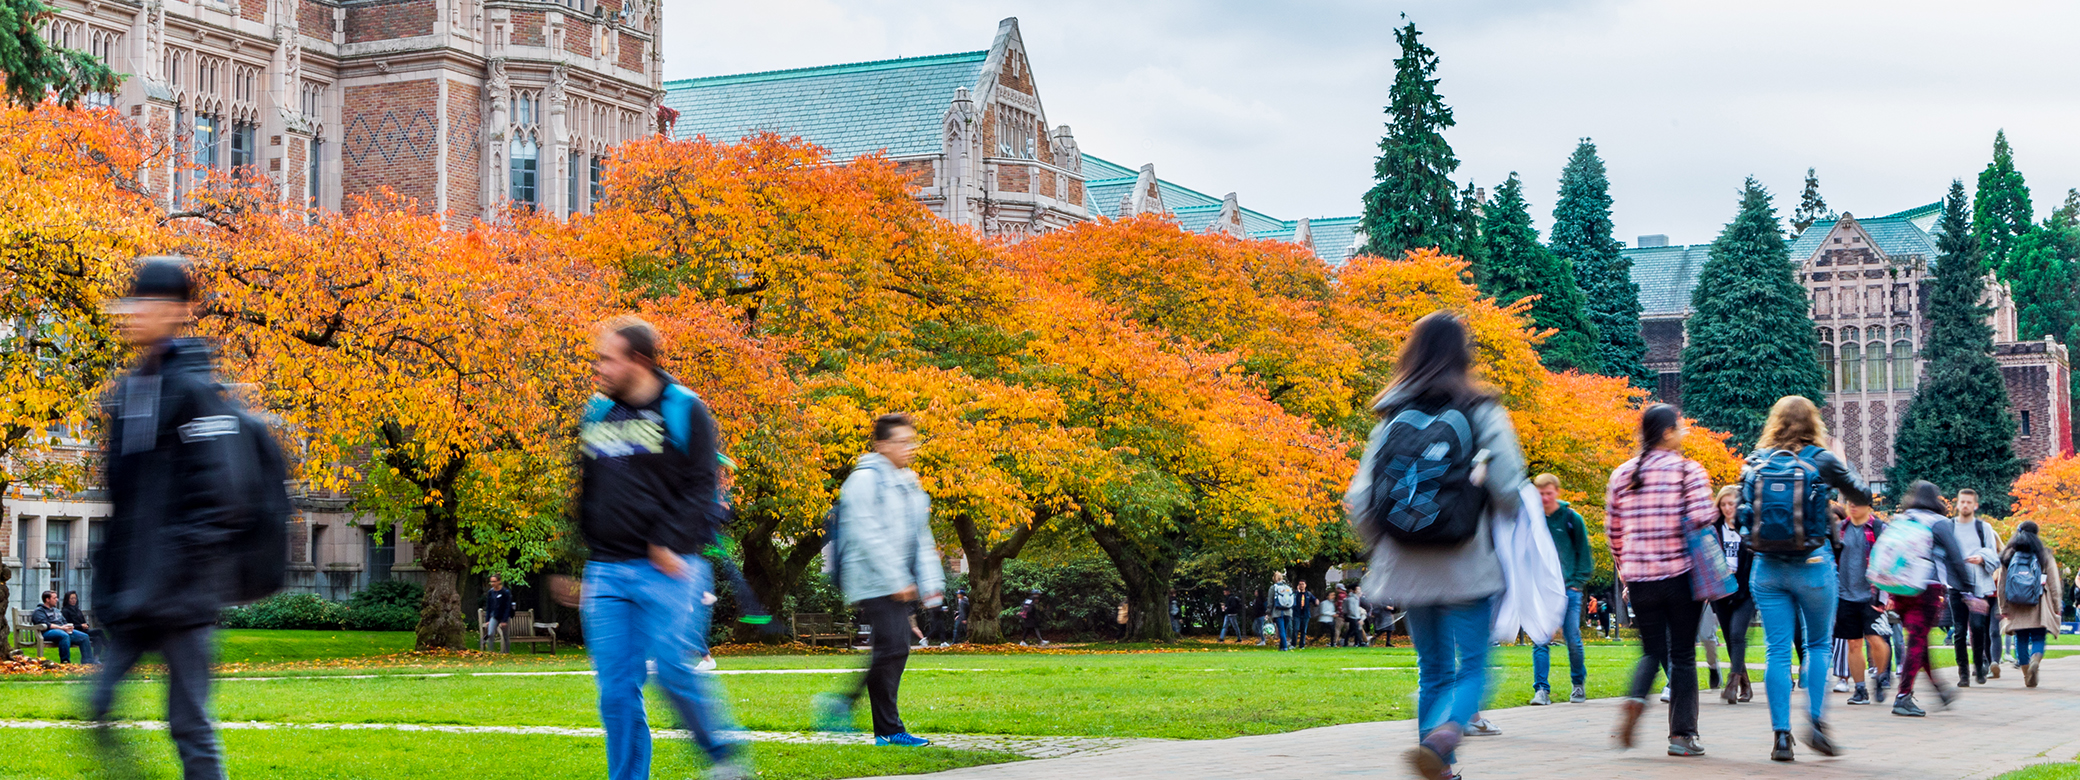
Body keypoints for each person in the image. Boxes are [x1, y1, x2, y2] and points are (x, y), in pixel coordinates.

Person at [1344, 312, 1526, 780]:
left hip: (1408, 566)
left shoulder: (1391, 416)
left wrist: (1388, 543)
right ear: (1463, 354)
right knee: (1475, 669)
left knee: (1433, 669)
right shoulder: (1481, 409)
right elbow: (1509, 487)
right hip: (1466, 561)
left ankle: (1438, 768)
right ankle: (1446, 735)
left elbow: (1360, 498)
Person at [569, 317, 749, 779]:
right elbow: (590, 491)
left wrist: (668, 542)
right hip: (606, 572)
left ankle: (723, 757)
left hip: (668, 569)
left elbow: (703, 491)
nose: (600, 368)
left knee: (673, 669)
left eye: (608, 359)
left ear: (640, 361)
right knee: (615, 692)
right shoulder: (597, 413)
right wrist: (581, 558)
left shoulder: (684, 409)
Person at [1734, 396, 1870, 760]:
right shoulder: (1821, 460)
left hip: (1767, 568)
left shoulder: (1757, 461)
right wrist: (1840, 465)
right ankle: (1816, 722)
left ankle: (1781, 736)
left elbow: (1739, 516)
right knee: (1818, 646)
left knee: (1776, 651)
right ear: (1813, 424)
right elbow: (1863, 494)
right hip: (1813, 563)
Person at [813, 413, 944, 747]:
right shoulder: (863, 480)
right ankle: (853, 710)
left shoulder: (908, 482)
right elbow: (867, 534)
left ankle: (884, 729)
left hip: (896, 580)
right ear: (881, 444)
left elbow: (920, 536)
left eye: (911, 441)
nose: (909, 448)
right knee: (893, 646)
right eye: (901, 442)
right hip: (870, 578)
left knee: (893, 648)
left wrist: (931, 581)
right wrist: (896, 578)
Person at [1604, 404, 1713, 758]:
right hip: (1681, 576)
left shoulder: (1622, 475)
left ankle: (1635, 700)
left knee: (1652, 651)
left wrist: (1626, 570)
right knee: (1682, 655)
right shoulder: (1688, 471)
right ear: (1667, 432)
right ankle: (1682, 736)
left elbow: (1613, 534)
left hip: (1640, 579)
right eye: (1680, 427)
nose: (1684, 433)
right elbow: (1702, 518)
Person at [1885, 481, 1978, 717]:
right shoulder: (1939, 523)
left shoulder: (1902, 519)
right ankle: (1903, 696)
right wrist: (1968, 589)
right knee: (1916, 641)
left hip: (1900, 588)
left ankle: (1940, 689)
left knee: (1918, 640)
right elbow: (1955, 557)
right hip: (1927, 589)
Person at [1530, 473, 1592, 706]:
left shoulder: (1570, 518)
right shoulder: (1532, 520)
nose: (1545, 498)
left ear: (1556, 492)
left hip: (1568, 588)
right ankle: (1541, 689)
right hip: (1542, 588)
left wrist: (1577, 582)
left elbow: (1583, 553)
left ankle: (1577, 684)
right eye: (1540, 494)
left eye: (1548, 493)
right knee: (1540, 639)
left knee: (1572, 637)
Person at [1834, 502, 1893, 705]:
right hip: (1845, 595)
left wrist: (1887, 596)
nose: (1853, 507)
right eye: (1850, 503)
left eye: (1857, 504)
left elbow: (1890, 563)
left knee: (1876, 640)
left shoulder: (1879, 529)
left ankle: (1880, 676)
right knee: (1853, 643)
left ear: (1868, 506)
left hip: (1871, 595)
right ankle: (1860, 690)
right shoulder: (1840, 529)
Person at [1996, 521, 2063, 688]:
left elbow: (2002, 585)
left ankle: (2027, 673)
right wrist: (2056, 606)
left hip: (2015, 604)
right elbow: (2054, 583)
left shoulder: (2008, 555)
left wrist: (2003, 607)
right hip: (2039, 602)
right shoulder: (2044, 555)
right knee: (2039, 636)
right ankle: (2036, 660)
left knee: (2021, 638)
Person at [1946, 489, 2002, 686]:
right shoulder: (1949, 526)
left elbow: (1994, 556)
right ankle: (1963, 673)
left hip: (1978, 587)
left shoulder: (1983, 527)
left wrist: (1982, 558)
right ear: (1957, 504)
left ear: (1975, 505)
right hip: (1956, 585)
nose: (1965, 506)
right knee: (1959, 630)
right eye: (1962, 502)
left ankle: (1979, 666)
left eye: (1969, 502)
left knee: (1978, 627)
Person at [1706, 485, 1756, 704]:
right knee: (1729, 638)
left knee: (1737, 634)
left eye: (1732, 504)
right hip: (1721, 589)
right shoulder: (1714, 528)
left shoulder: (1749, 526)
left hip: (1745, 590)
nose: (1728, 508)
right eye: (1724, 504)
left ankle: (1732, 684)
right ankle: (1745, 683)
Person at [31, 590, 95, 665]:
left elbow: (64, 621)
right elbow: (45, 624)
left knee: (84, 637)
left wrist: (68, 627)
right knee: (64, 636)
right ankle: (65, 662)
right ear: (47, 599)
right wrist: (61, 628)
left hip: (62, 631)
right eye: (54, 598)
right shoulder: (39, 611)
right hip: (46, 633)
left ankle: (88, 663)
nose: (57, 600)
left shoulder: (56, 610)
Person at [481, 575, 516, 653]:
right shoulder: (491, 592)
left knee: (505, 635)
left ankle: (506, 652)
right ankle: (491, 651)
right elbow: (489, 606)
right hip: (494, 615)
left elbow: (507, 606)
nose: (492, 583)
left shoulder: (505, 592)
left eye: (494, 581)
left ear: (499, 581)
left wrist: (504, 620)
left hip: (503, 616)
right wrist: (487, 619)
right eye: (491, 581)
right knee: (490, 633)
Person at [1267, 572, 1296, 651]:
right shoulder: (1287, 587)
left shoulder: (1273, 588)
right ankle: (1281, 647)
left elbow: (1270, 602)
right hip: (1288, 612)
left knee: (1281, 631)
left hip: (1278, 612)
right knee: (1284, 630)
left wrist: (1268, 612)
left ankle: (1285, 647)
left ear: (1274, 578)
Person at [1292, 580, 1318, 649]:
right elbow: (1292, 599)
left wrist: (1316, 601)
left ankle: (1302, 645)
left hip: (1305, 614)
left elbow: (1314, 600)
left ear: (1305, 585)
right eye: (1300, 584)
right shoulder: (1295, 593)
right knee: (1295, 629)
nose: (1301, 586)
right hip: (1297, 614)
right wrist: (1297, 592)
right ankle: (1293, 644)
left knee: (1303, 630)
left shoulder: (1308, 594)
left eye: (1302, 584)